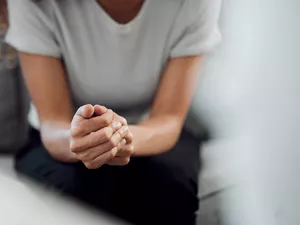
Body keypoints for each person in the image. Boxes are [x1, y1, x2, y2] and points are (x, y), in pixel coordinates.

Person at [5, 0, 221, 224]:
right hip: (61, 138)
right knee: (78, 190)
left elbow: (168, 118)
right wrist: (81, 139)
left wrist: (118, 135)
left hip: (152, 132)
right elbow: (53, 122)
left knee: (171, 188)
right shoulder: (32, 3)